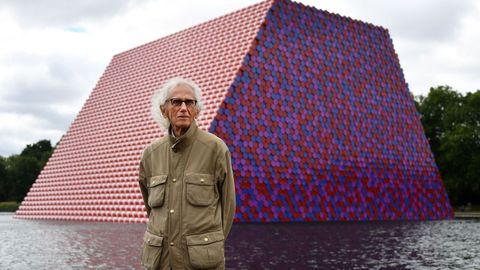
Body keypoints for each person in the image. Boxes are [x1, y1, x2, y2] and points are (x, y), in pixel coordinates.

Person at [138, 77, 236, 270]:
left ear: (196, 110)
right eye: (176, 102)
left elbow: (228, 206)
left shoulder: (215, 149)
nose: (183, 107)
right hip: (161, 262)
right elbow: (151, 208)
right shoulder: (150, 154)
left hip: (201, 263)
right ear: (163, 110)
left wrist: (208, 245)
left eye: (189, 102)